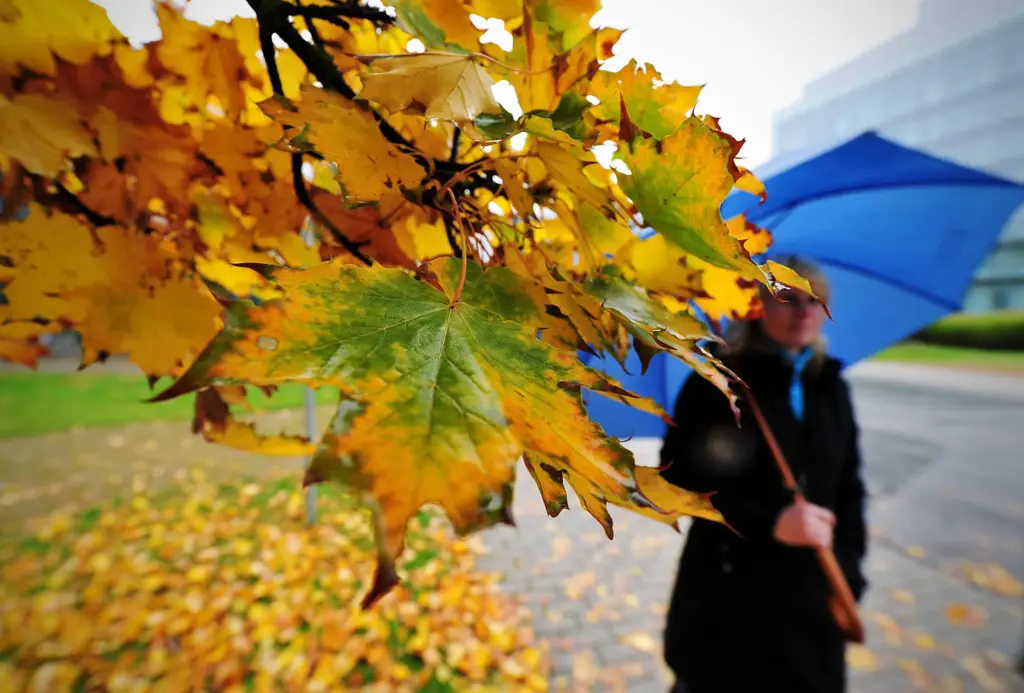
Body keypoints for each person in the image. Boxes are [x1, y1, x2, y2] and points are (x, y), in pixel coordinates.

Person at [659, 256, 869, 693]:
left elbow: (849, 487)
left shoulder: (831, 386)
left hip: (813, 603)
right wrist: (770, 523)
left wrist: (849, 573)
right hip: (728, 604)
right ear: (756, 308)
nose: (805, 312)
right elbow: (679, 483)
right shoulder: (716, 382)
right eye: (789, 299)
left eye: (816, 302)